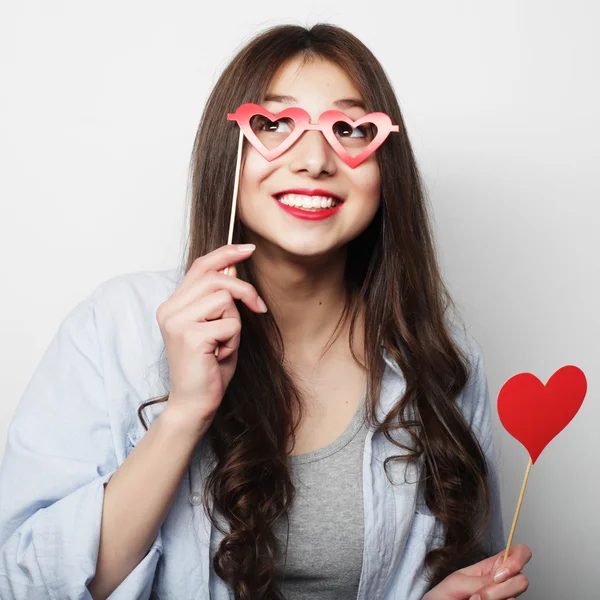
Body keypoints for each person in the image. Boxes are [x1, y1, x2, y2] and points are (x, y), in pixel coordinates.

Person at [0, 23, 531, 600]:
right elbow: (27, 586)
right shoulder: (114, 327)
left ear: (386, 167)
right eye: (274, 125)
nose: (313, 159)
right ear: (227, 151)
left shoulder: (438, 353)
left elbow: (467, 556)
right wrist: (184, 414)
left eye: (349, 129)